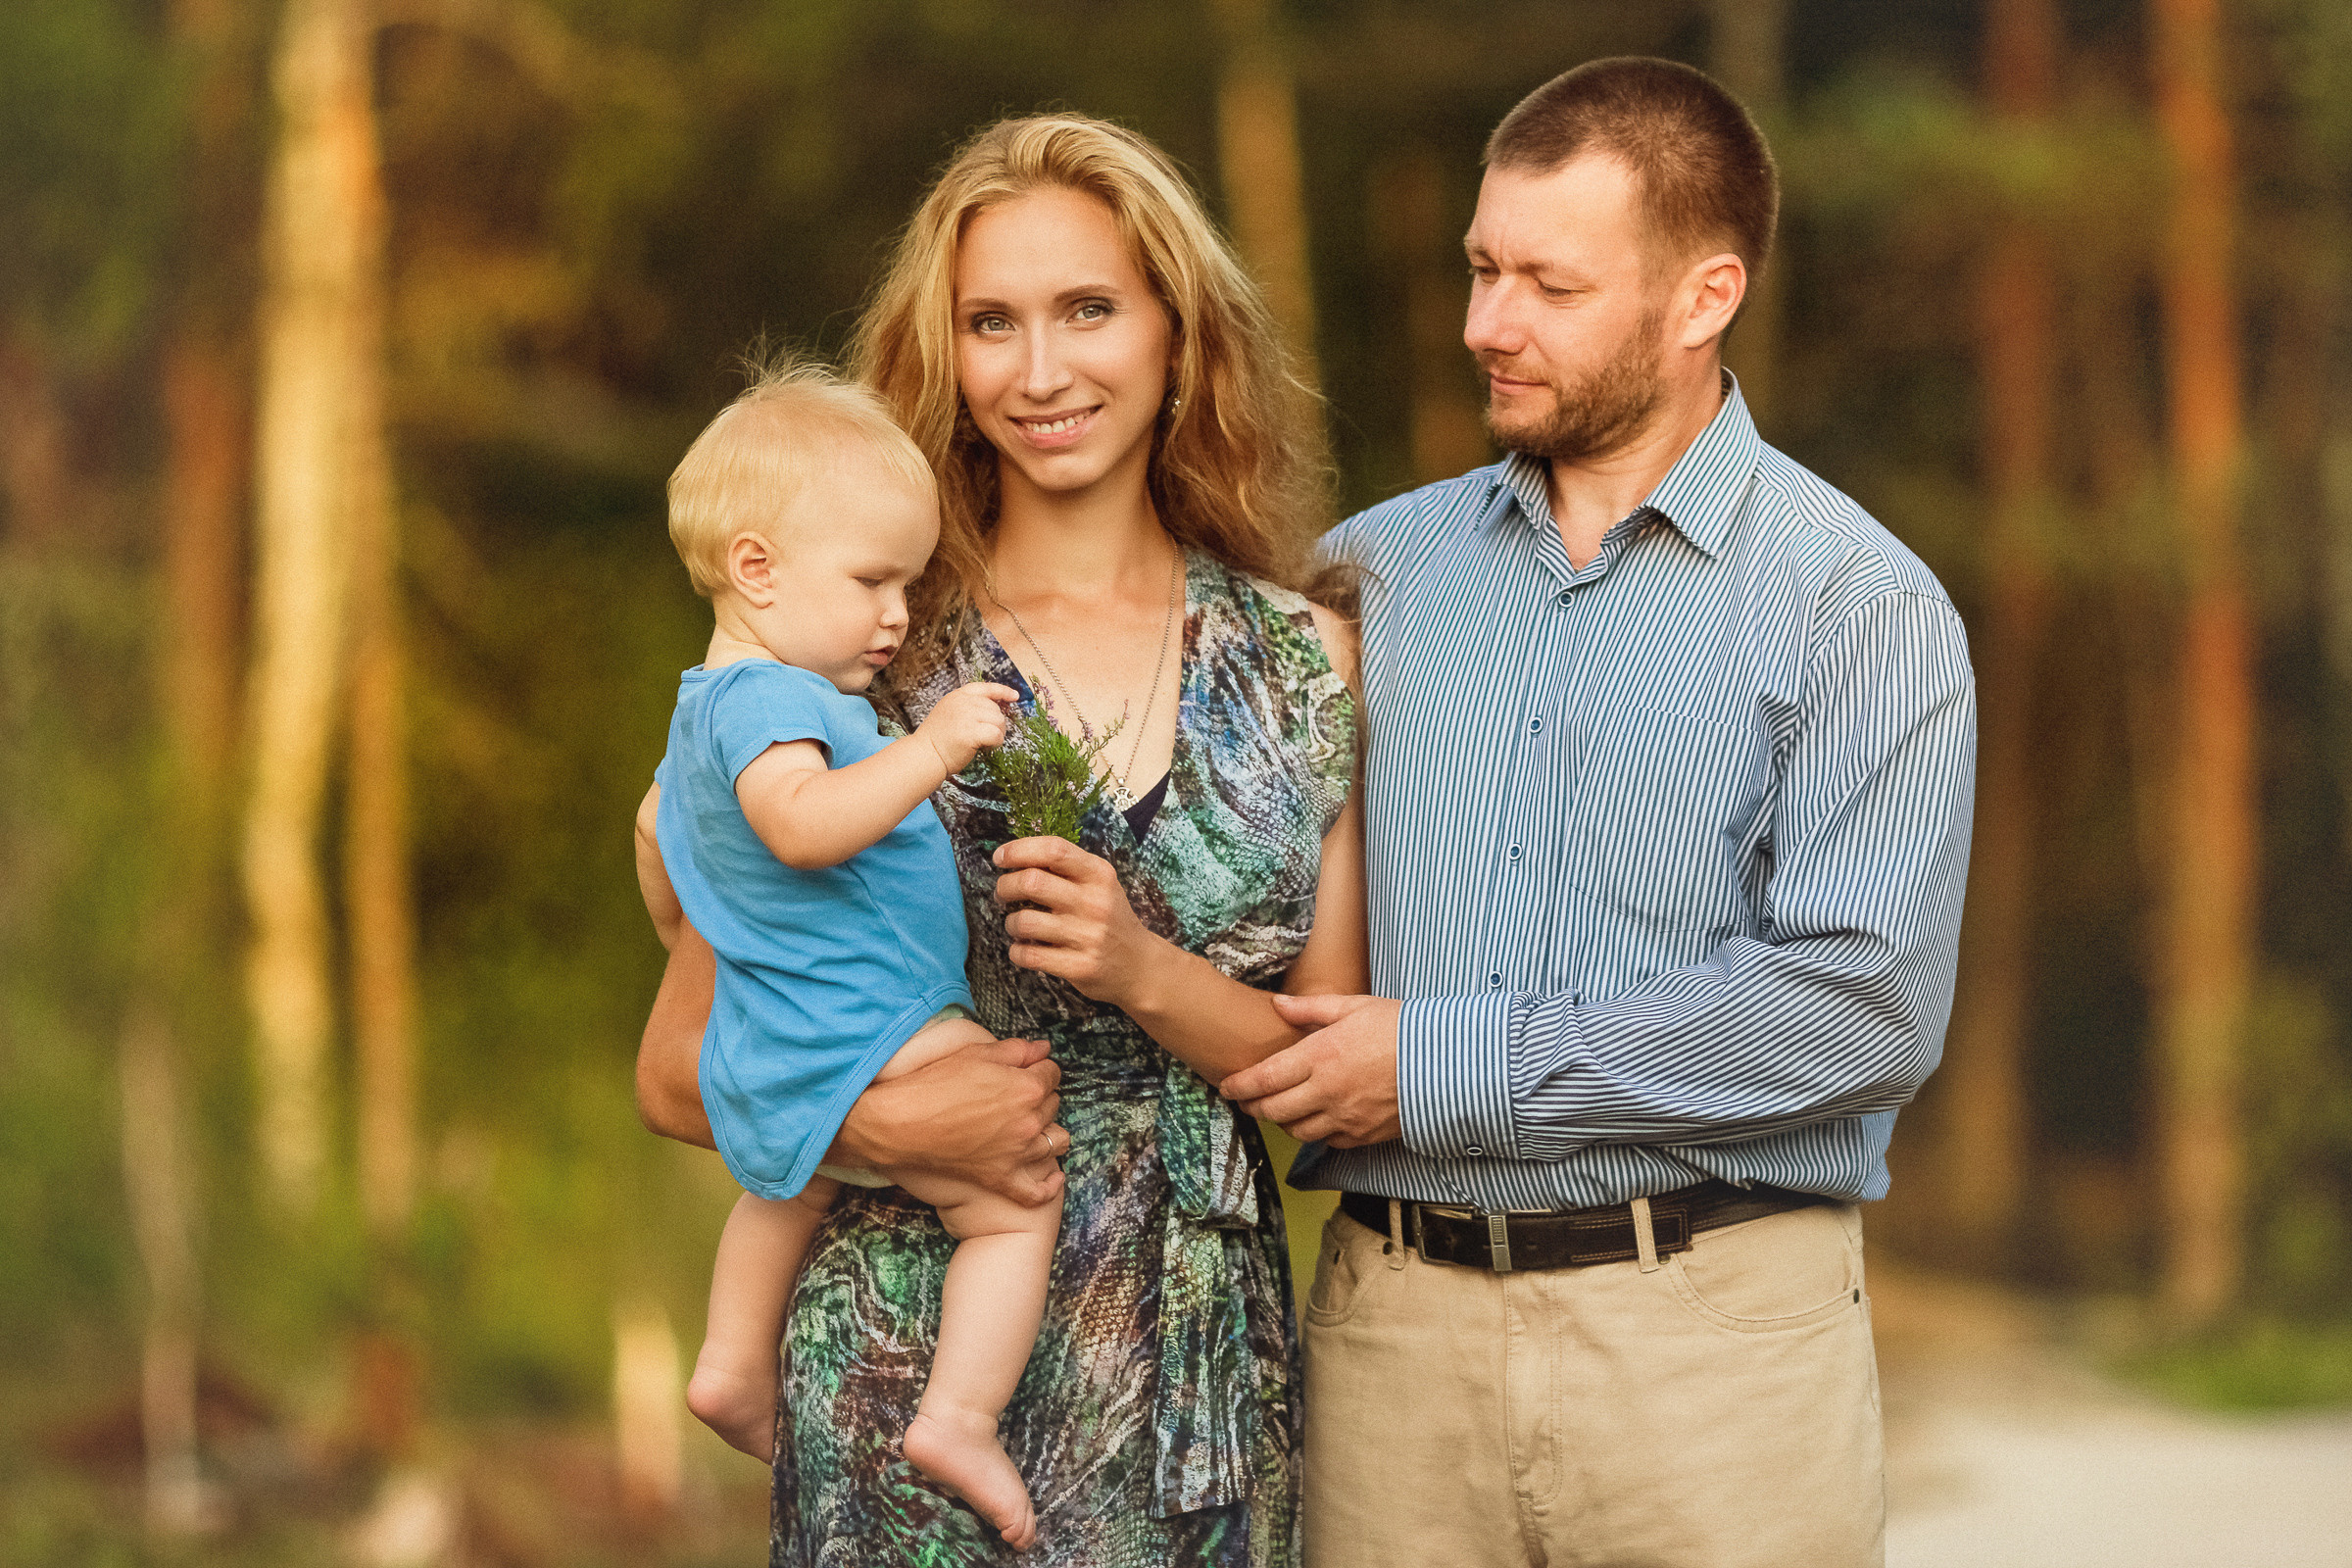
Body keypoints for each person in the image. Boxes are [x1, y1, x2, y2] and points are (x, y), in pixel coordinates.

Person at [1222, 58, 1977, 1568]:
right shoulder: (1367, 577)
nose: (1484, 324)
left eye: (1548, 285)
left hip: (1715, 1355)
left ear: (1704, 297)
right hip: (1394, 1340)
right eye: (1481, 269)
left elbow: (1861, 1004)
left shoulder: (1860, 605)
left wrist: (1448, 1064)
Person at [637, 114, 1365, 1567]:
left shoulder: (1306, 663)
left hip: (1199, 1397)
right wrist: (889, 1124)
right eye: (992, 323)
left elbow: (1330, 1076)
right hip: (901, 1371)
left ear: (1178, 331)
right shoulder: (859, 664)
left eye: (1088, 309)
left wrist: (1142, 970)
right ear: (948, 359)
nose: (1041, 372)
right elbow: (675, 1073)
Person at [632, 364, 1054, 1546]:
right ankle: (960, 1415)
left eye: (910, 584)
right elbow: (803, 826)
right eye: (873, 581)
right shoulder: (774, 701)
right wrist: (934, 746)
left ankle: (727, 1363)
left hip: (787, 1030)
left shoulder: (706, 704)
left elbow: (672, 861)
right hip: (878, 1020)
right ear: (757, 568)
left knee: (792, 1175)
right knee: (1016, 1204)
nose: (897, 616)